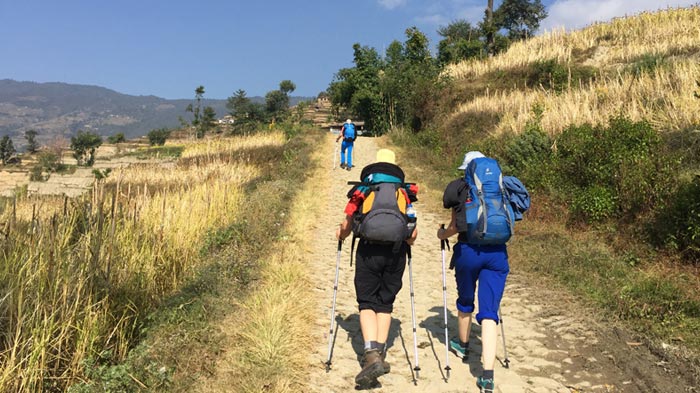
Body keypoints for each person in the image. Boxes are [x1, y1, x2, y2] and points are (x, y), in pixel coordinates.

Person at [336, 148, 419, 387]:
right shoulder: (404, 192)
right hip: (396, 253)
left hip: (368, 251)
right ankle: (380, 353)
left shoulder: (363, 189)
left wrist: (340, 235)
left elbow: (347, 224)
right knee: (385, 302)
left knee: (366, 301)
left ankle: (370, 354)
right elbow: (412, 234)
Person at [437, 151, 509, 393]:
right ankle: (487, 375)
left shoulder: (458, 187)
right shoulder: (499, 186)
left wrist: (442, 235)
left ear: (466, 170)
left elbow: (456, 225)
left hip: (468, 251)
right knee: (489, 312)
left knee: (466, 300)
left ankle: (463, 344)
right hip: (497, 254)